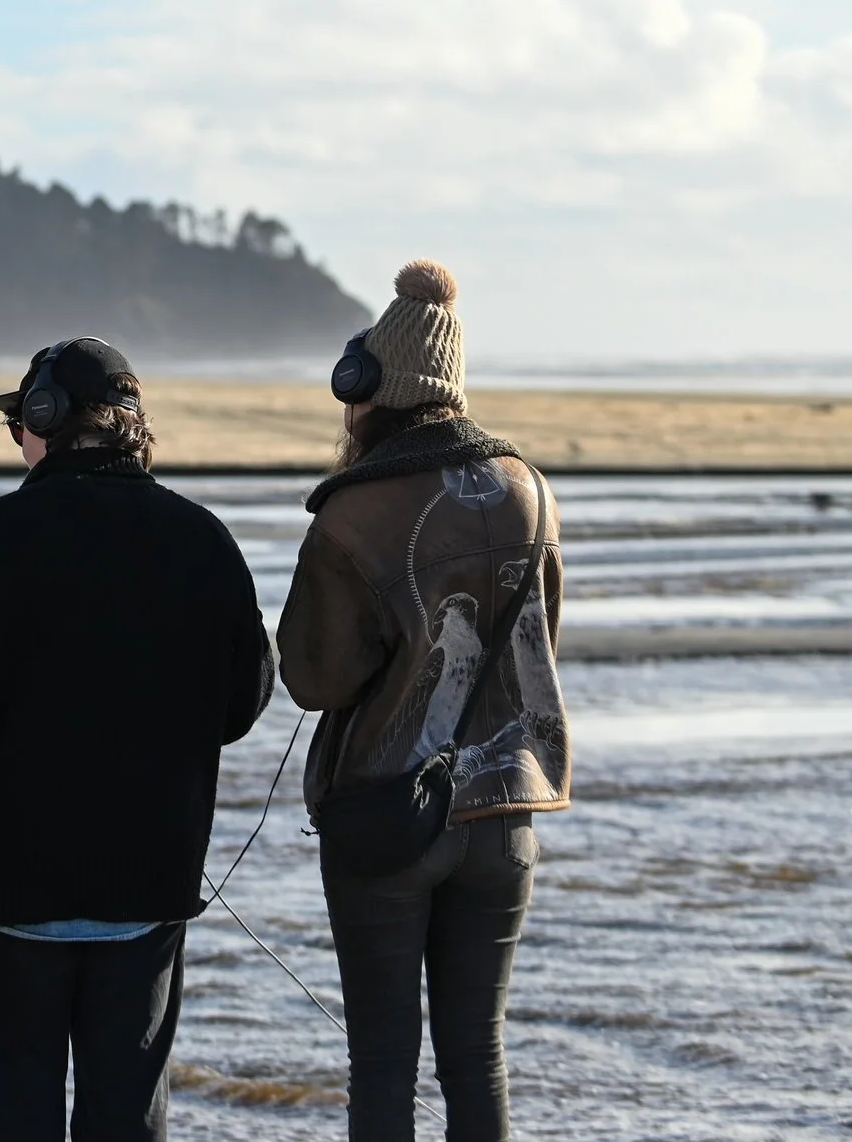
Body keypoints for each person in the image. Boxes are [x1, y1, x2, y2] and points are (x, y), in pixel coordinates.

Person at [0, 336, 276, 1142]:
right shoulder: (204, 541)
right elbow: (242, 702)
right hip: (148, 894)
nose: (18, 441)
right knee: (126, 1124)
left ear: (44, 419)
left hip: (9, 900)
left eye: (20, 423)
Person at [277, 261, 569, 1142]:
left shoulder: (355, 510)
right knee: (478, 1058)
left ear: (370, 385)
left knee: (383, 1067)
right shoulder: (531, 488)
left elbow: (312, 678)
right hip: (510, 805)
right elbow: (543, 642)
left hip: (388, 812)